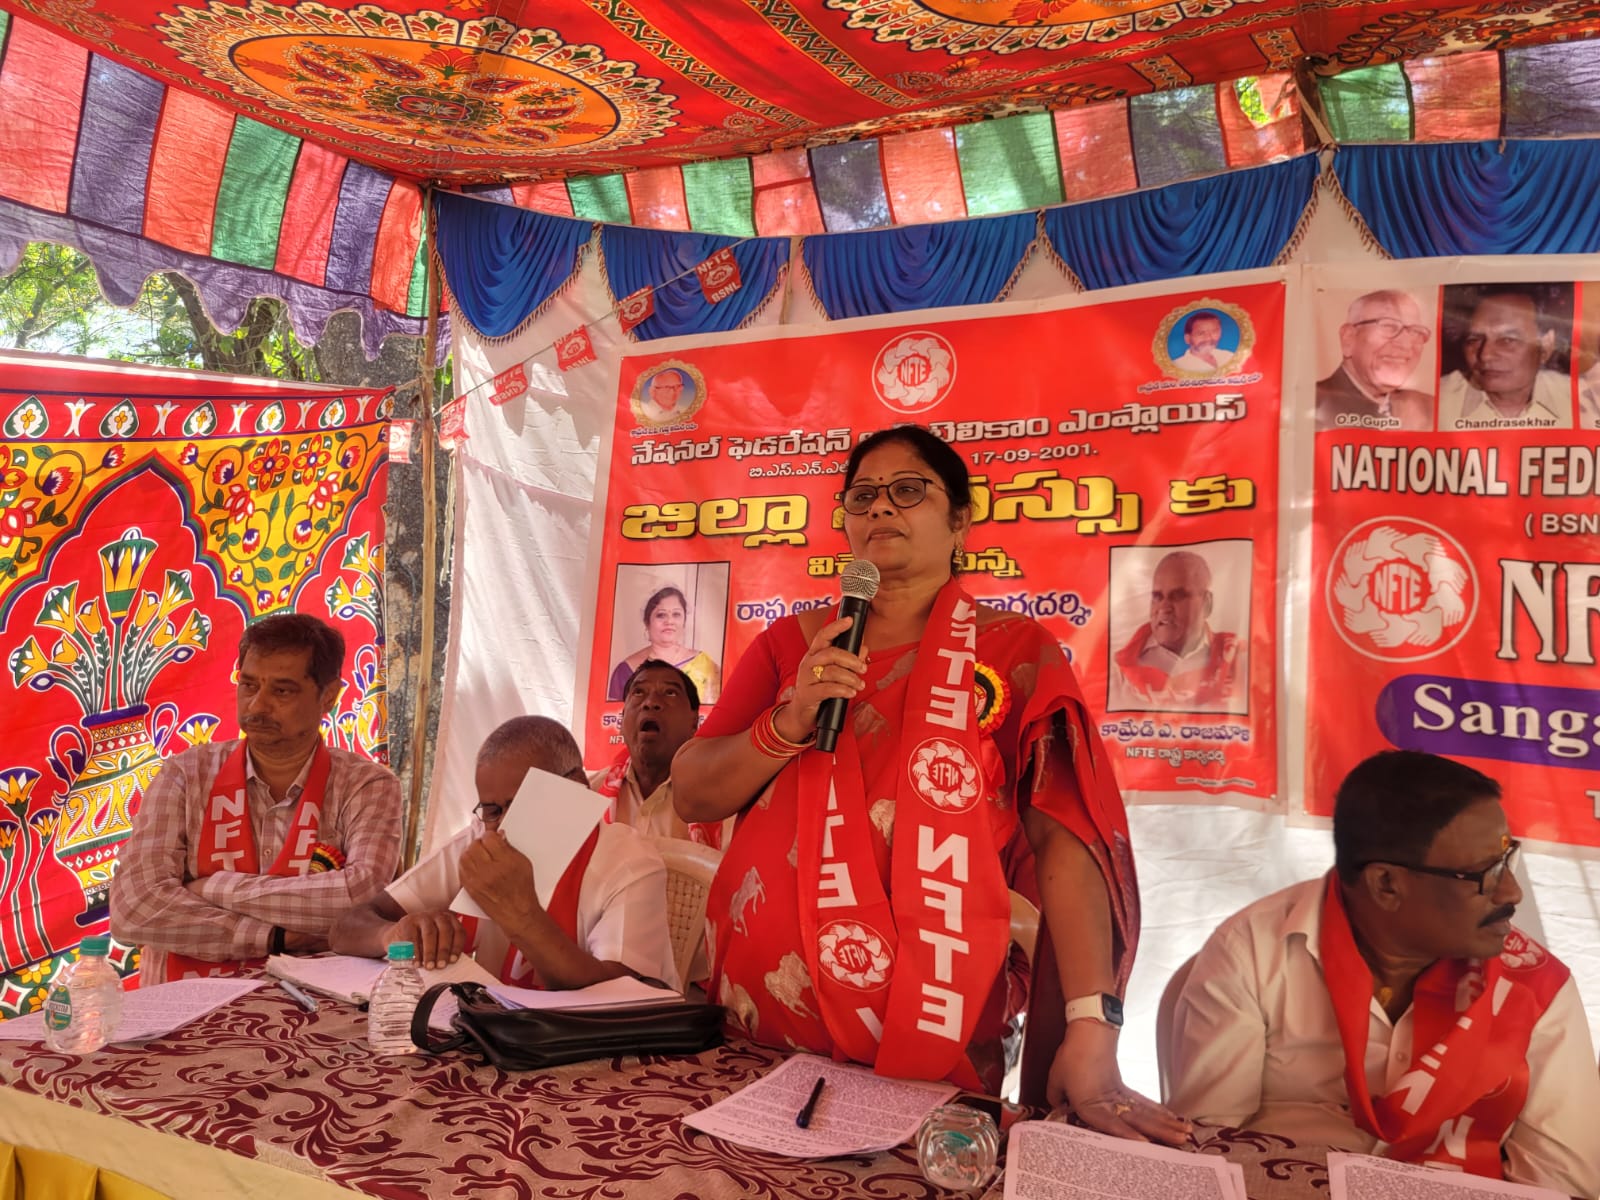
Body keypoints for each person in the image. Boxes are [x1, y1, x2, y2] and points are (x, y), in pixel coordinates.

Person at [672, 424, 1188, 1144]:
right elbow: (693, 793)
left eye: (908, 490)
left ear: (960, 519)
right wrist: (787, 722)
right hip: (762, 1023)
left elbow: (1066, 845)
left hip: (932, 1018)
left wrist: (1091, 1028)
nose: (880, 508)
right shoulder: (794, 645)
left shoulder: (1017, 654)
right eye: (862, 496)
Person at [1168, 751, 1599, 1196]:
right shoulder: (1252, 952)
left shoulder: (1533, 988)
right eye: (1484, 874)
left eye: (1508, 860)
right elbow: (1206, 1148)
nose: (1511, 892)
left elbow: (1562, 1184)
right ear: (1386, 885)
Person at [112, 613, 401, 984]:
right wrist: (273, 937)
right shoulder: (185, 774)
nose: (257, 706)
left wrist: (211, 887)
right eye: (248, 685)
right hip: (181, 1003)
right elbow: (134, 910)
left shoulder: (367, 785)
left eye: (282, 691)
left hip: (313, 1003)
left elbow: (363, 899)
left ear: (329, 696)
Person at [330, 716, 679, 991]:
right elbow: (346, 927)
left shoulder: (629, 862)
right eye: (493, 810)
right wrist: (392, 935)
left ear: (574, 787)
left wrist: (520, 914)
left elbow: (615, 996)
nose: (505, 825)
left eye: (522, 803)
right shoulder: (482, 841)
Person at [590, 659, 732, 847]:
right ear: (622, 720)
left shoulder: (725, 804)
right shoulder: (588, 794)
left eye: (670, 693)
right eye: (639, 692)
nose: (651, 702)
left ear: (694, 722)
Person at [1108, 550, 1245, 713]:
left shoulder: (1237, 660)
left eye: (1178, 596)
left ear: (1207, 603)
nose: (1164, 608)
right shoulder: (1118, 670)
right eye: (1157, 597)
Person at [1438, 287, 1573, 430]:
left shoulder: (1579, 400)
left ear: (1546, 346)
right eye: (1474, 339)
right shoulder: (1437, 402)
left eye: (1507, 340)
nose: (1485, 355)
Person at [1315, 290, 1434, 431]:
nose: (1406, 344)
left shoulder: (1430, 409)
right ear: (1349, 338)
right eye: (1389, 326)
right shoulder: (1310, 404)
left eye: (1416, 332)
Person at [608, 585, 721, 705]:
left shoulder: (705, 666)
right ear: (647, 622)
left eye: (676, 614)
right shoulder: (626, 670)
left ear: (684, 622)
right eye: (661, 615)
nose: (669, 621)